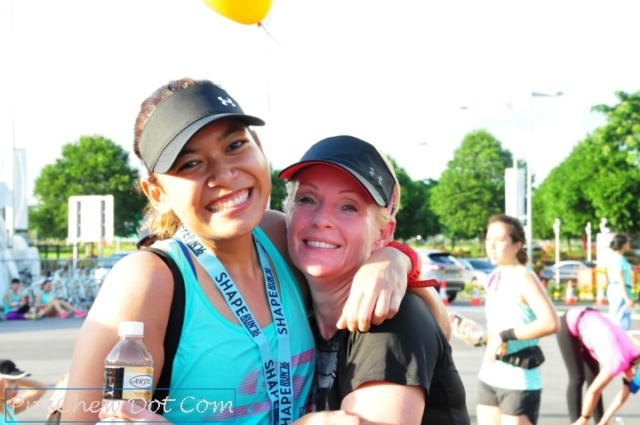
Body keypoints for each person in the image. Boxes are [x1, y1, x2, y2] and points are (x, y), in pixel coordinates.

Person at [65, 78, 422, 425]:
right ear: (157, 194)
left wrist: (393, 258)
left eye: (235, 145)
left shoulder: (278, 237)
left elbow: (430, 324)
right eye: (190, 163)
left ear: (259, 147)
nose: (224, 174)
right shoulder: (147, 281)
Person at [280, 135, 469, 424]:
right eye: (306, 199)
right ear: (287, 213)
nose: (321, 219)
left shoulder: (389, 322)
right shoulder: (293, 306)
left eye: (348, 206)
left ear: (383, 233)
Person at [473, 214, 560, 425]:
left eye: (500, 240)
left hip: (519, 380)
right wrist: (478, 337)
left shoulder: (524, 277)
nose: (491, 246)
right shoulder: (495, 277)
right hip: (489, 375)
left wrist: (504, 336)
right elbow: (498, 330)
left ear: (516, 245)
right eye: (488, 239)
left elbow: (551, 323)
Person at [556, 307, 640, 425]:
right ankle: (576, 422)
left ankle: (599, 422)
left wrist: (606, 418)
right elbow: (593, 392)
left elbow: (625, 391)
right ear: (634, 371)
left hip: (591, 322)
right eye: (630, 381)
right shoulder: (618, 360)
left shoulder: (635, 353)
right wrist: (584, 418)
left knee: (594, 380)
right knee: (577, 378)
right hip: (571, 322)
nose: (628, 382)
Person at [0, 359, 47, 425]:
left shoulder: (8, 408)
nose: (17, 386)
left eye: (18, 381)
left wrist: (16, 379)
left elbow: (41, 388)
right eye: (12, 381)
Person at [605, 234, 634, 330]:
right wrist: (627, 298)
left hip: (613, 289)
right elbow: (620, 278)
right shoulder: (620, 259)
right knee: (621, 321)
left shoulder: (612, 258)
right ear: (623, 244)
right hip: (620, 291)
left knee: (615, 317)